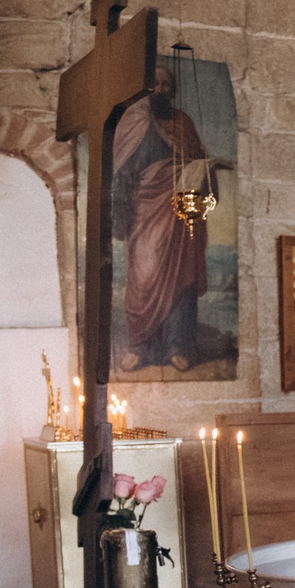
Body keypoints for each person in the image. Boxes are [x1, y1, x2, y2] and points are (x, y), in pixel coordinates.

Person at [113, 62, 217, 372]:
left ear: (172, 91)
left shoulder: (182, 122)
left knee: (181, 278)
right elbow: (119, 171)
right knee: (143, 274)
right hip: (145, 206)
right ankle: (141, 347)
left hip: (181, 207)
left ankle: (178, 345)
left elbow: (197, 160)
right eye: (154, 83)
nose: (160, 88)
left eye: (165, 84)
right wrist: (120, 209)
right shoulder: (130, 121)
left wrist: (203, 171)